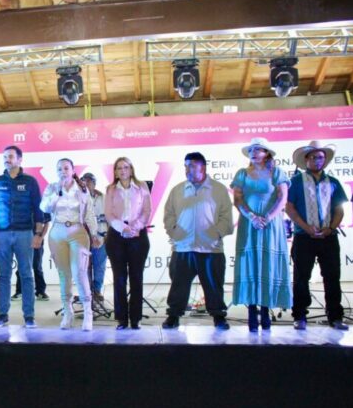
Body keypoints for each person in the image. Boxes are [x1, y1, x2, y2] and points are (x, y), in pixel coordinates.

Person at [162, 152, 233, 330]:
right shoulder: (177, 190)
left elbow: (226, 217)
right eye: (186, 166)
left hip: (210, 248)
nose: (188, 169)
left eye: (192, 166)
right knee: (178, 285)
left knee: (213, 285)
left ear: (203, 167)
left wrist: (216, 234)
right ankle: (173, 315)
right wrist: (174, 232)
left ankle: (218, 316)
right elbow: (169, 214)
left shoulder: (218, 189)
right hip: (183, 248)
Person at [285, 141, 349, 330]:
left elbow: (339, 209)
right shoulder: (296, 181)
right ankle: (300, 316)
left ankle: (335, 316)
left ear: (325, 160)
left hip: (329, 237)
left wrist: (331, 228)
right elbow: (289, 208)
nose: (317, 160)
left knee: (332, 277)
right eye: (313, 157)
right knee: (301, 277)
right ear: (306, 160)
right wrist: (306, 227)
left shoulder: (333, 182)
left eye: (320, 157)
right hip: (304, 237)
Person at [230, 138, 292, 332]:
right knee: (250, 264)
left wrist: (267, 218)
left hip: (270, 224)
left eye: (258, 149)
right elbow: (238, 199)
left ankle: (265, 310)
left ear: (267, 153)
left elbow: (282, 198)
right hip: (249, 224)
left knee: (267, 263)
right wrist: (251, 217)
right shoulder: (242, 173)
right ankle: (251, 310)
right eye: (251, 150)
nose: (254, 153)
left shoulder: (276, 172)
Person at [0, 145, 44, 328]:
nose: (6, 160)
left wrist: (38, 234)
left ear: (19, 159)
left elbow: (38, 211)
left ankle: (29, 316)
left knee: (26, 274)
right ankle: (2, 314)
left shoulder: (30, 182)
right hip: (1, 235)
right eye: (4, 157)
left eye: (10, 156)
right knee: (4, 276)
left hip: (25, 234)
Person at [40, 158, 100, 331]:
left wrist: (94, 233)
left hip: (77, 231)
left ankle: (88, 313)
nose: (62, 172)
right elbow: (44, 208)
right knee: (64, 275)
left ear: (73, 170)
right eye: (59, 169)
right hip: (57, 232)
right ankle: (68, 312)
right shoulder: (52, 188)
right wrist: (56, 194)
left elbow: (89, 214)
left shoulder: (82, 189)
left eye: (66, 168)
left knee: (79, 273)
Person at [104, 158, 151, 330]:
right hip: (116, 237)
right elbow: (108, 214)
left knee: (136, 278)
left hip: (138, 236)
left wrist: (134, 227)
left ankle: (136, 318)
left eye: (126, 167)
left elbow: (147, 210)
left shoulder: (142, 186)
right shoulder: (110, 189)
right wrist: (122, 228)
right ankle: (121, 319)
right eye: (119, 168)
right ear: (115, 172)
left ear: (131, 169)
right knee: (119, 278)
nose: (122, 170)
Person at [81, 172, 108, 301]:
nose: (87, 184)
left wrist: (108, 235)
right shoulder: (78, 198)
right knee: (84, 267)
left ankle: (97, 290)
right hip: (83, 238)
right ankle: (86, 291)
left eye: (89, 181)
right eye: (84, 181)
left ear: (94, 184)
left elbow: (110, 218)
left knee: (99, 266)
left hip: (101, 237)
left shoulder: (103, 198)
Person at [12, 213, 50, 301]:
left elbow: (46, 223)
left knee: (37, 266)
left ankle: (40, 291)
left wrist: (40, 238)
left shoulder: (41, 206)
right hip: (22, 240)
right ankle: (20, 291)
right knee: (22, 266)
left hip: (37, 241)